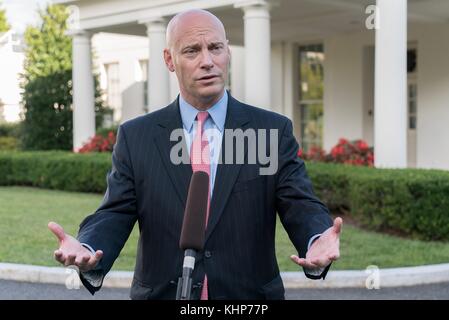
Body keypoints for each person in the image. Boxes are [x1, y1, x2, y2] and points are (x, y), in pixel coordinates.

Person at [48, 9, 342, 300]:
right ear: (169, 60)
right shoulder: (137, 136)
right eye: (192, 51)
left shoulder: (272, 131)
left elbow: (299, 202)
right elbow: (115, 212)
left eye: (215, 48)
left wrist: (316, 238)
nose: (207, 61)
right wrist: (89, 248)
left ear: (227, 51)